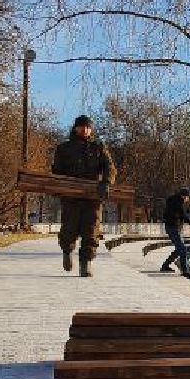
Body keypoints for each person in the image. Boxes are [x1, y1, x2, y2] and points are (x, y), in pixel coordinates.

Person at [50, 114, 115, 276]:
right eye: (82, 127)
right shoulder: (64, 148)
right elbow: (57, 171)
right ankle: (67, 252)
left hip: (93, 197)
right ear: (75, 128)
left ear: (91, 129)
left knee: (91, 230)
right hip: (71, 197)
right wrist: (61, 187)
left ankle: (85, 263)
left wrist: (106, 182)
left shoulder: (98, 147)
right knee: (69, 229)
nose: (85, 130)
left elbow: (110, 167)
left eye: (88, 127)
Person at [159, 187, 190, 275]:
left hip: (172, 227)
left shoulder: (174, 201)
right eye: (187, 197)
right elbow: (182, 214)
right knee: (182, 249)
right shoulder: (178, 202)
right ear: (184, 196)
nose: (187, 199)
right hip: (173, 228)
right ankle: (185, 271)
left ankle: (165, 266)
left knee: (179, 249)